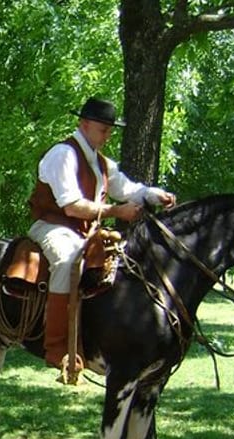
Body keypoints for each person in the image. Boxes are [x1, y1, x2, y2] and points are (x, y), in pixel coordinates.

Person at [27, 96, 176, 375]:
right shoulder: (63, 154)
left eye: (109, 130)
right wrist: (115, 212)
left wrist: (154, 195)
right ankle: (58, 347)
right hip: (53, 225)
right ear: (84, 124)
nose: (107, 136)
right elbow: (71, 206)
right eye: (103, 129)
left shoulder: (101, 162)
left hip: (83, 231)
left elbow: (129, 189)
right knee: (68, 260)